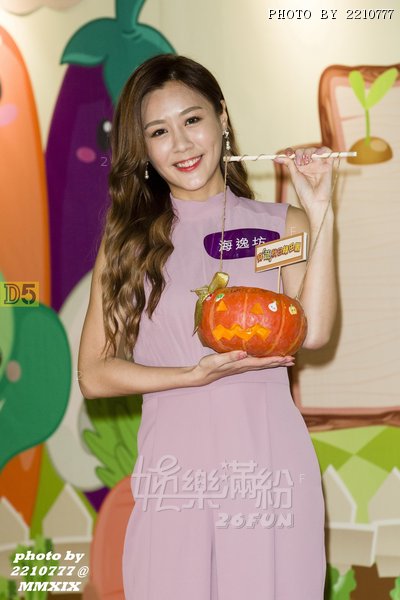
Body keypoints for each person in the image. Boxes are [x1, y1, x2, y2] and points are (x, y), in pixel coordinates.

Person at [78, 54, 337, 600]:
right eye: (159, 131)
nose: (181, 144)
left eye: (192, 120)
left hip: (267, 463)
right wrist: (190, 376)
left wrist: (320, 214)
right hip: (177, 471)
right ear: (145, 148)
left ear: (221, 117)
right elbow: (95, 375)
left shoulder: (274, 230)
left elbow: (311, 332)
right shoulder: (130, 243)